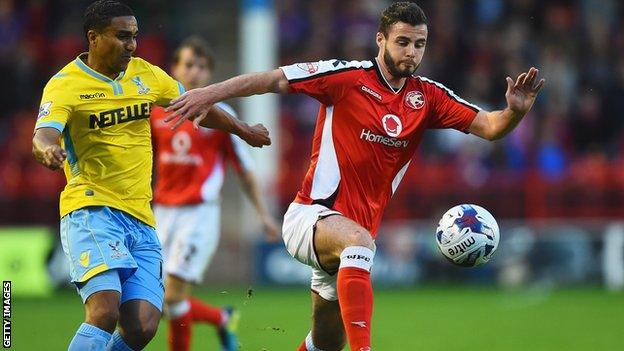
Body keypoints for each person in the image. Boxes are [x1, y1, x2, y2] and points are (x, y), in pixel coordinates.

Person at [166, 2, 545, 350]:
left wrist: (515, 112)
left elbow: (490, 126)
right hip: (311, 216)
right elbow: (273, 79)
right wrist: (208, 94)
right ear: (379, 40)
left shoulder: (428, 97)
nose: (411, 52)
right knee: (360, 244)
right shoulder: (346, 77)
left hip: (349, 243)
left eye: (419, 44)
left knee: (327, 342)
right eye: (402, 42)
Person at [31, 1, 270, 350]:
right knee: (104, 310)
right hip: (91, 209)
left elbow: (194, 105)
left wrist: (243, 129)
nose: (131, 45)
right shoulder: (64, 84)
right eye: (122, 36)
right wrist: (47, 151)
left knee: (143, 326)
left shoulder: (148, 75)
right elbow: (43, 135)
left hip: (142, 217)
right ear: (93, 38)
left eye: (135, 37)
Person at [150, 36, 280, 351]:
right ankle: (222, 318)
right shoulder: (155, 113)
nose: (195, 72)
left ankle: (218, 320)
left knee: (172, 298)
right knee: (161, 302)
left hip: (198, 215)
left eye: (202, 67)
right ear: (174, 69)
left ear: (209, 74)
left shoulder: (220, 114)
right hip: (160, 214)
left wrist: (263, 215)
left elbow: (245, 170)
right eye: (189, 64)